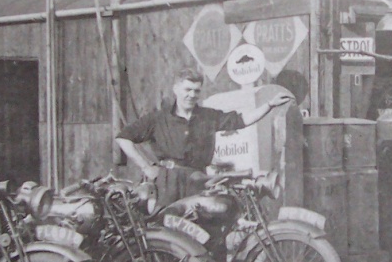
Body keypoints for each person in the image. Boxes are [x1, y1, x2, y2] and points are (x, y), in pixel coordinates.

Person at [115, 67, 294, 208]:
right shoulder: (157, 118)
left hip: (199, 180)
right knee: (167, 233)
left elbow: (242, 120)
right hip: (167, 183)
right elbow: (124, 137)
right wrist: (146, 167)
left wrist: (269, 105)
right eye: (187, 89)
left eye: (196, 91)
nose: (191, 95)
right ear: (176, 89)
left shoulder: (208, 116)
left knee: (204, 228)